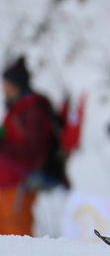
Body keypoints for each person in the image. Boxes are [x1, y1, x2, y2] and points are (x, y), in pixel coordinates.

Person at [0, 56, 56, 235]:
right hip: (6, 186)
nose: (4, 89)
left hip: (19, 187)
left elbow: (33, 153)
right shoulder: (18, 109)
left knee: (19, 243)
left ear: (15, 84)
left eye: (6, 84)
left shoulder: (32, 110)